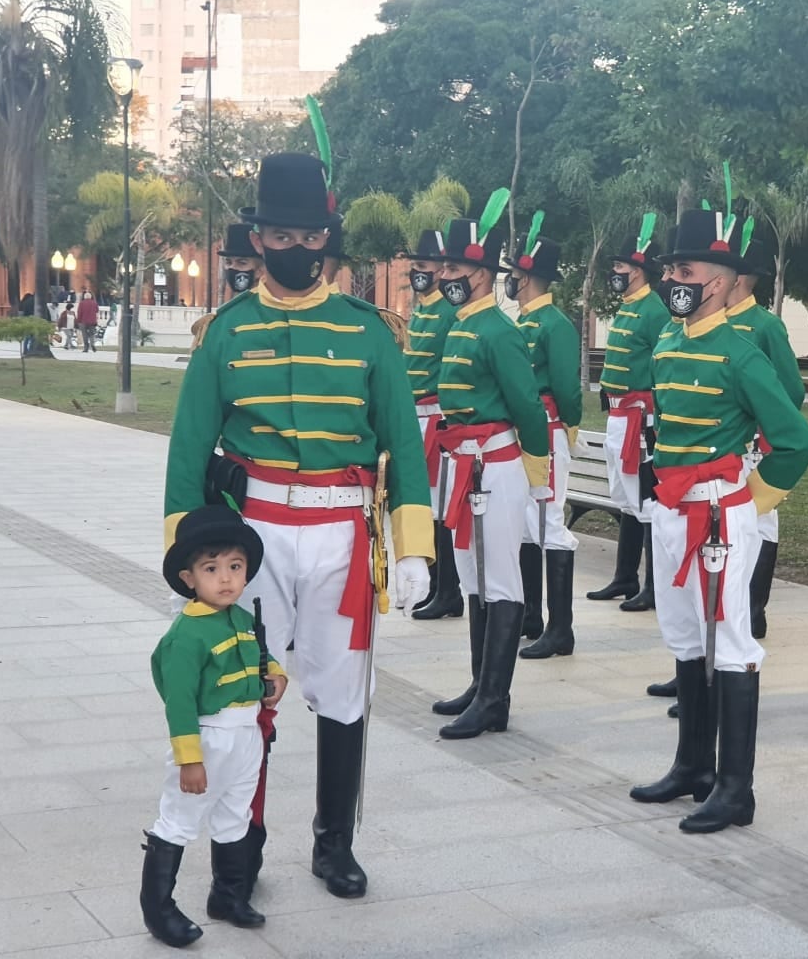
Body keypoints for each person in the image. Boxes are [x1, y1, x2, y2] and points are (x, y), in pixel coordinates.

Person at [164, 152, 435, 899]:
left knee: (344, 692)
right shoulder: (226, 332)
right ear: (257, 240)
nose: (292, 249)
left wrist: (415, 548)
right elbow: (190, 449)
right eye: (278, 234)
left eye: (307, 235)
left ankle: (333, 844)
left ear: (327, 240)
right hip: (252, 540)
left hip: (343, 536)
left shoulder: (368, 331)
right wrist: (186, 557)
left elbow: (403, 444)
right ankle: (239, 850)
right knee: (243, 692)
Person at [629, 207, 808, 833]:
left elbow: (795, 439)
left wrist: (755, 497)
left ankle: (736, 789)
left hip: (716, 514)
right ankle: (692, 767)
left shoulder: (740, 353)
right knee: (685, 637)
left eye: (686, 270)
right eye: (671, 269)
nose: (674, 279)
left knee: (729, 642)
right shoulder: (667, 340)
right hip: (672, 509)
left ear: (721, 280)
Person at [428, 190, 551, 738]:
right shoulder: (463, 322)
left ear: (480, 273)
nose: (445, 274)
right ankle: (480, 684)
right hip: (464, 464)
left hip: (495, 467)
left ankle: (495, 699)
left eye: (454, 266)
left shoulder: (498, 330)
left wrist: (538, 471)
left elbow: (527, 404)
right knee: (472, 577)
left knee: (500, 579)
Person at [142, 504, 287, 948]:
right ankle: (158, 909)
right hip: (207, 736)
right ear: (188, 579)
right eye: (211, 568)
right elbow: (180, 703)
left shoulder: (242, 619)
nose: (226, 579)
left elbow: (261, 658)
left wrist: (276, 676)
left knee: (234, 816)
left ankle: (227, 895)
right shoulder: (185, 636)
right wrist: (190, 759)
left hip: (245, 737)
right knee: (179, 820)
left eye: (235, 567)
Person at [503, 213, 584, 659]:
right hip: (523, 432)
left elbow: (568, 390)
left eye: (514, 275)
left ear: (529, 276)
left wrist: (568, 432)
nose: (511, 282)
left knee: (550, 523)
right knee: (529, 528)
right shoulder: (521, 322)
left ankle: (561, 628)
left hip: (548, 431)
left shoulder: (555, 324)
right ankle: (533, 615)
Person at [724, 221, 806, 639]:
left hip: (753, 446)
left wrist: (762, 428)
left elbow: (790, 390)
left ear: (739, 277)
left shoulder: (765, 325)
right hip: (719, 451)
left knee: (760, 523)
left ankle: (754, 608)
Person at [589, 213, 671, 613]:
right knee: (626, 502)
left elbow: (663, 365)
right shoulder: (627, 307)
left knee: (646, 503)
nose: (616, 272)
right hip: (618, 417)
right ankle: (625, 577)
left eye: (621, 266)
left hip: (642, 420)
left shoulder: (655, 311)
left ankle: (654, 586)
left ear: (639, 270)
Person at [409, 227, 467, 622]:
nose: (420, 272)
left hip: (437, 419)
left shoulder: (447, 311)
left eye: (425, 266)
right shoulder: (424, 307)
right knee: (427, 507)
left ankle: (448, 590)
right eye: (416, 265)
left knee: (440, 508)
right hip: (416, 416)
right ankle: (434, 586)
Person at [219, 222, 264, 298]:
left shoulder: (267, 306)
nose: (232, 267)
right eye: (228, 262)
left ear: (260, 271)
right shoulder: (233, 306)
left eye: (242, 263)